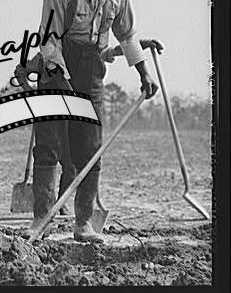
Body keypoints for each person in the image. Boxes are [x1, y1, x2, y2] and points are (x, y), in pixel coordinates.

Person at [25, 0, 159, 242]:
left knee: (90, 148)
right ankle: (41, 219)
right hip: (56, 69)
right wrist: (61, 79)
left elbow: (127, 36)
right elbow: (49, 40)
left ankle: (83, 223)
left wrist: (144, 74)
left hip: (91, 74)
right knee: (48, 145)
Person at [14, 39, 164, 217]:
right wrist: (30, 92)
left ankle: (62, 201)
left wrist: (142, 44)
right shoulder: (44, 58)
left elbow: (113, 51)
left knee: (71, 164)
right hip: (51, 115)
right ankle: (46, 207)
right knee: (48, 155)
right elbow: (20, 71)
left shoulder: (88, 56)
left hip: (75, 115)